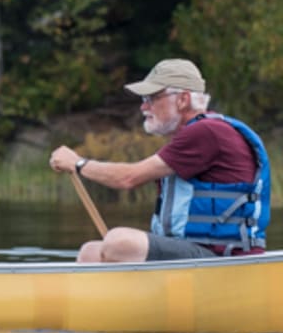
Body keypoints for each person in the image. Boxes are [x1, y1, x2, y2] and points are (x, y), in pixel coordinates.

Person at [49, 58, 270, 264]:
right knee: (90, 252)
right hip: (195, 253)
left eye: (152, 98)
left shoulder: (207, 132)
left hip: (221, 258)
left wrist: (78, 164)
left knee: (118, 241)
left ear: (183, 99)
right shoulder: (190, 137)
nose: (143, 107)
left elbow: (128, 178)